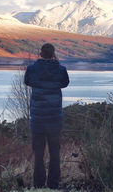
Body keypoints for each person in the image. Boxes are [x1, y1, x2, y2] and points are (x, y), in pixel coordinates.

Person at [24, 43, 69, 189]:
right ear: (53, 54)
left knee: (38, 154)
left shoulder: (32, 69)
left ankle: (38, 185)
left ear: (40, 53)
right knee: (55, 153)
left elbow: (27, 81)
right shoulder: (60, 69)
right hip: (55, 118)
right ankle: (53, 185)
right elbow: (65, 83)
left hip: (37, 119)